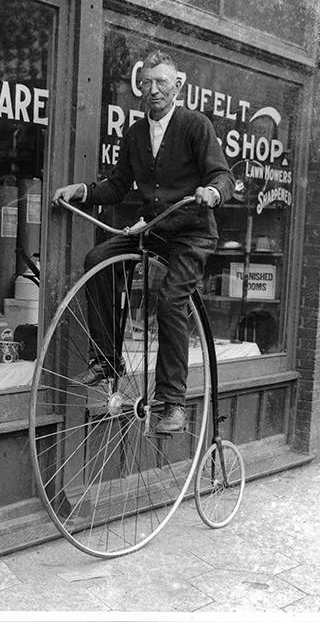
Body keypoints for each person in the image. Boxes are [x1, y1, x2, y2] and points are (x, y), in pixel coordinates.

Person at [52, 50, 234, 433]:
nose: (154, 90)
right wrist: (83, 191)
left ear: (177, 85)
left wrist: (212, 193)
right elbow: (118, 185)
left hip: (190, 234)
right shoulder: (134, 133)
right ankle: (106, 359)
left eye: (162, 82)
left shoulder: (195, 125)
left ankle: (172, 404)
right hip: (153, 229)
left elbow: (222, 175)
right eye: (147, 83)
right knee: (97, 259)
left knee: (171, 301)